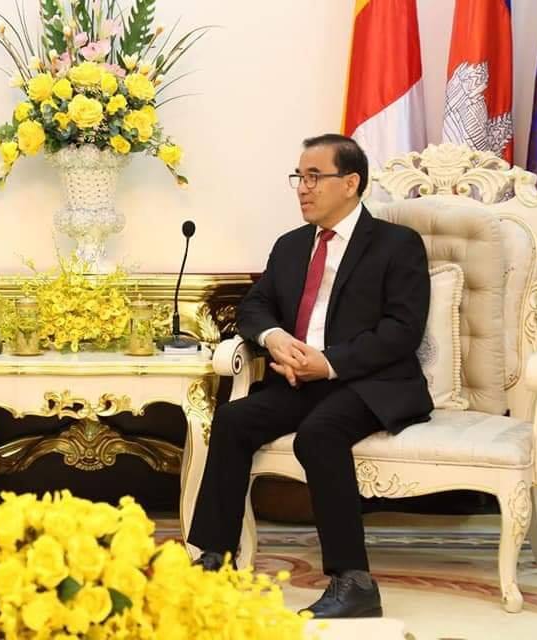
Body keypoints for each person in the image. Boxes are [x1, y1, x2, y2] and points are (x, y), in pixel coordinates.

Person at [187, 134, 432, 618]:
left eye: (315, 176)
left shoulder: (397, 245)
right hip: (299, 380)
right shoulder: (292, 245)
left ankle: (354, 582)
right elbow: (255, 307)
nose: (303, 187)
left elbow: (402, 331)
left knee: (319, 435)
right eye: (299, 177)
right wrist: (275, 337)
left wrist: (329, 362)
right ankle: (214, 560)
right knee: (233, 420)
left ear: (351, 183)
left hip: (370, 383)